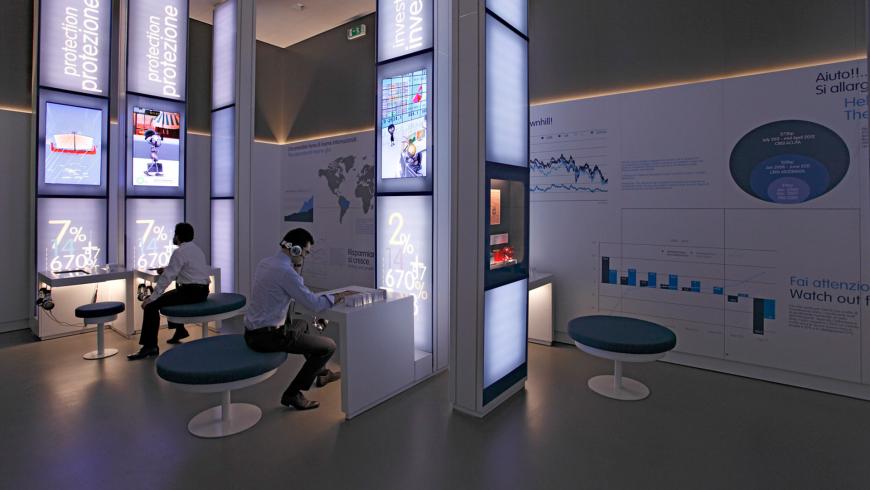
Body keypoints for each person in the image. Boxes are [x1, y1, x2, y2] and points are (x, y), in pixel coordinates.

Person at [244, 228, 354, 410]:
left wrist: (295, 271)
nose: (305, 257)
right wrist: (338, 296)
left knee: (302, 324)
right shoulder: (285, 272)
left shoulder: (265, 263)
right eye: (305, 252)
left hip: (251, 332)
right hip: (268, 337)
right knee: (328, 347)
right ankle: (292, 394)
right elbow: (315, 305)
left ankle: (322, 373)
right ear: (295, 249)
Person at [128, 223, 211, 360]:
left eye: (174, 234)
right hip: (203, 292)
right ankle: (180, 330)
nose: (173, 236)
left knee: (150, 307)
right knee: (176, 291)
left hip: (191, 293)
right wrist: (167, 268)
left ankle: (150, 347)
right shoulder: (197, 250)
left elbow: (167, 278)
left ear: (178, 236)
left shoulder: (179, 252)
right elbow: (185, 268)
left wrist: (152, 298)